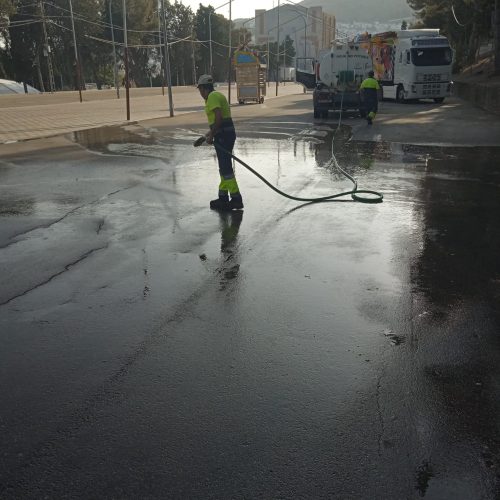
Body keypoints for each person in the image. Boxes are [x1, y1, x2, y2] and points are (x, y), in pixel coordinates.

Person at [196, 74, 244, 211]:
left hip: (223, 136)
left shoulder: (212, 97)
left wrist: (211, 135)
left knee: (226, 169)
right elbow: (217, 122)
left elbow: (218, 117)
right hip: (224, 134)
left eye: (200, 90)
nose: (200, 93)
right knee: (223, 168)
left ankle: (236, 199)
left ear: (204, 88)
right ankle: (223, 198)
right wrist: (207, 136)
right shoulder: (217, 96)